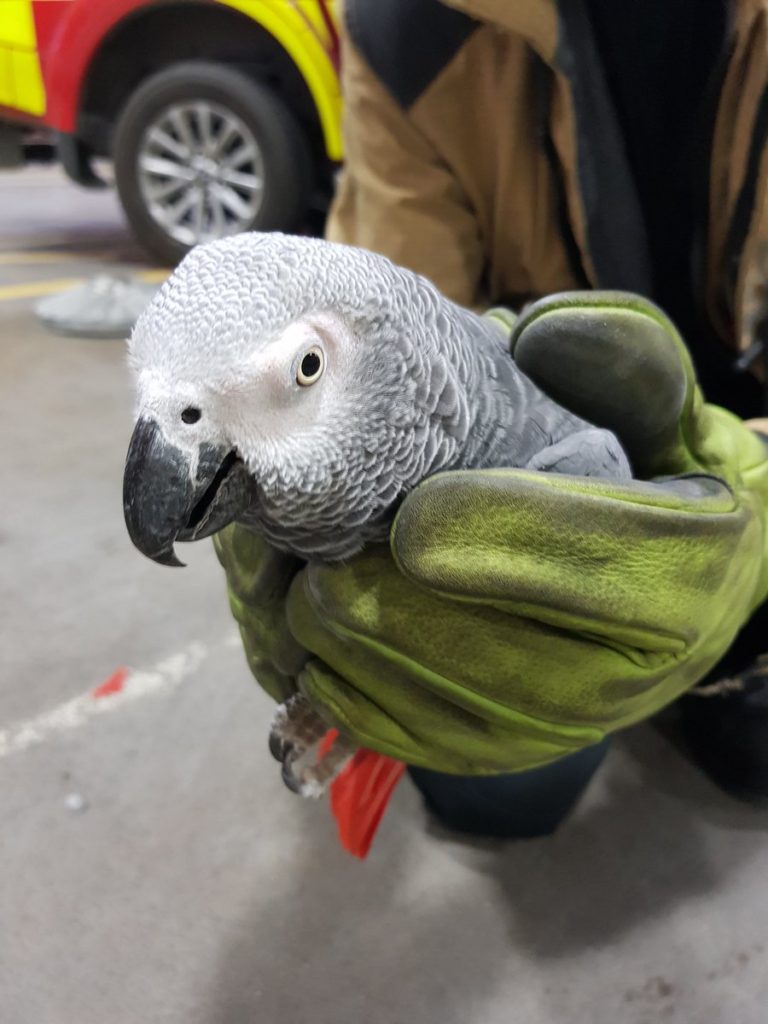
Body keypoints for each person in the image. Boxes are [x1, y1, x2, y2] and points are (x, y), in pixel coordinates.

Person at [215, 0, 768, 837]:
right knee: (496, 785)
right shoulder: (405, 33)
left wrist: (750, 512)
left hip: (746, 421)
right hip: (522, 442)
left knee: (752, 751)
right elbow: (395, 313)